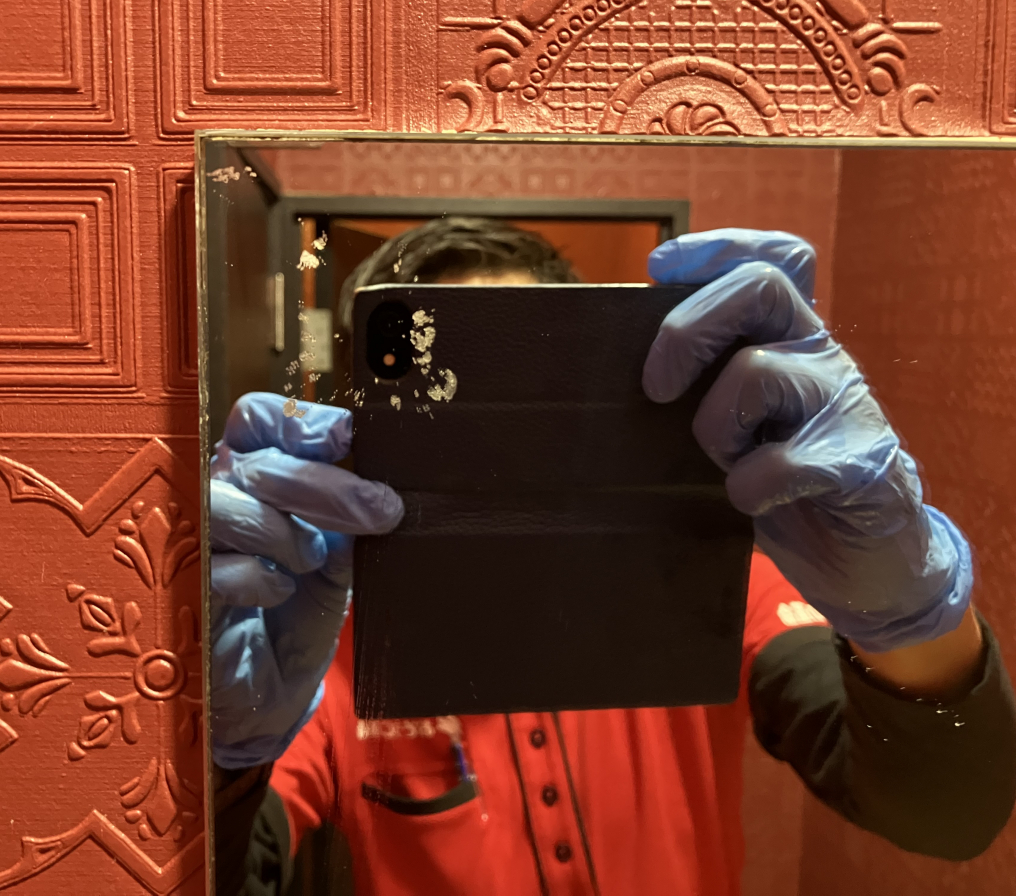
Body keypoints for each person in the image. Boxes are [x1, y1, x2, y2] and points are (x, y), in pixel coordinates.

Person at [207, 219, 1016, 896]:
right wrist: (209, 763)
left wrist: (911, 624)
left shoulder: (703, 581)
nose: (501, 445)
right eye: (453, 398)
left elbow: (946, 813)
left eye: (528, 387)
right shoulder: (328, 645)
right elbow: (244, 869)